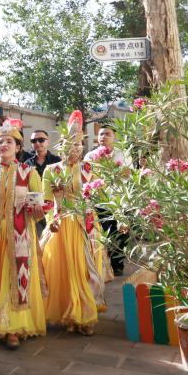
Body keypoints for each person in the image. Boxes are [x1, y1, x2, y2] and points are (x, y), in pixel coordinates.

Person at [42, 111, 108, 335]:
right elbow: (46, 201)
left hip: (86, 224)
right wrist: (51, 220)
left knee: (84, 269)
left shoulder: (90, 169)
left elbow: (101, 196)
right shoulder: (51, 170)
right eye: (70, 144)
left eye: (79, 144)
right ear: (61, 146)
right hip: (61, 225)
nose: (75, 148)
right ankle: (70, 313)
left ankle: (85, 315)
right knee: (66, 270)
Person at [0, 118, 47, 349]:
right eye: (0, 141)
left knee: (16, 277)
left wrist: (38, 211)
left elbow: (40, 204)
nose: (4, 145)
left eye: (9, 142)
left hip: (21, 233)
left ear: (18, 147)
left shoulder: (29, 172)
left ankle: (13, 327)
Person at [85, 124, 129, 276]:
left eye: (107, 134)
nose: (103, 137)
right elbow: (87, 177)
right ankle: (104, 266)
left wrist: (111, 168)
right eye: (101, 134)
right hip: (99, 202)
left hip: (119, 201)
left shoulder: (123, 154)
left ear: (114, 138)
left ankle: (118, 265)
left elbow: (128, 174)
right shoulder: (90, 156)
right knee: (103, 234)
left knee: (121, 234)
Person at [22, 129, 61, 237]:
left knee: (52, 238)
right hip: (34, 208)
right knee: (37, 238)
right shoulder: (27, 163)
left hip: (53, 207)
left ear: (48, 141)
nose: (37, 143)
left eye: (41, 140)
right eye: (34, 141)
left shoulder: (57, 161)